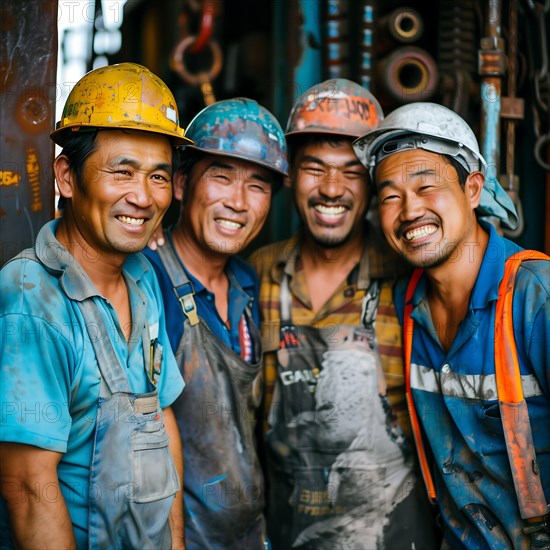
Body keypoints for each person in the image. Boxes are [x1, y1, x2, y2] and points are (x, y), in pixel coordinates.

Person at [0, 63, 189, 549]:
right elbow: (28, 486)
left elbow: (159, 416)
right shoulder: (31, 299)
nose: (142, 197)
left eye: (158, 177)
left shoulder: (143, 277)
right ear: (66, 176)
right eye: (121, 171)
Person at [249, 79, 440, 549]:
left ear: (373, 184)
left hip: (393, 532)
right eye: (314, 168)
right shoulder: (254, 276)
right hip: (288, 530)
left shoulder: (410, 278)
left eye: (351, 172)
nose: (331, 190)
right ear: (290, 174)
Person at [353, 101, 550, 548]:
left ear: (473, 189)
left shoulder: (535, 298)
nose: (408, 211)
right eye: (389, 196)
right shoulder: (407, 307)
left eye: (427, 187)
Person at [143, 98, 288, 549]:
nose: (238, 202)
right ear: (182, 183)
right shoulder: (146, 280)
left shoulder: (249, 283)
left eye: (258, 185)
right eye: (221, 176)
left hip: (246, 533)